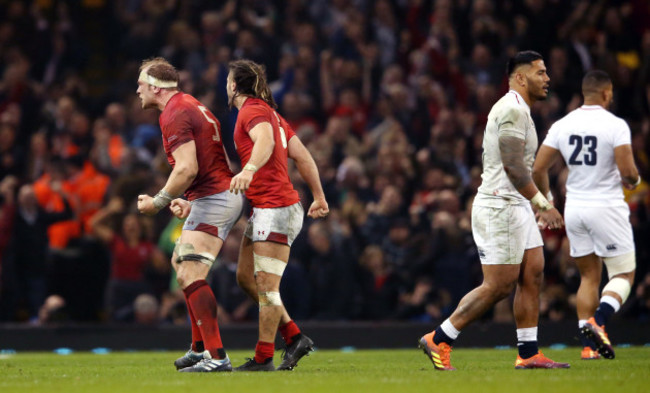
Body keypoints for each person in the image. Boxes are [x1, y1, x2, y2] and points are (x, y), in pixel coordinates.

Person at [418, 51, 570, 370]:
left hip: (517, 204)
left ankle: (528, 353)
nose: (547, 78)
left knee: (533, 272)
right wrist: (543, 203)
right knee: (499, 285)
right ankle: (440, 338)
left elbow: (530, 167)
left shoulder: (520, 110)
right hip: (500, 204)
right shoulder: (512, 109)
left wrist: (540, 201)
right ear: (519, 77)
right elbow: (514, 167)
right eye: (540, 72)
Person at [136, 57, 243, 372]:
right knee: (179, 264)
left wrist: (158, 202)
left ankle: (217, 355)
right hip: (215, 196)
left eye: (141, 84)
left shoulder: (174, 112)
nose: (137, 90)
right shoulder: (192, 105)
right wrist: (193, 201)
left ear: (155, 87)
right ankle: (199, 348)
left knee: (190, 273)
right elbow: (215, 159)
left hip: (217, 198)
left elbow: (187, 167)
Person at [227, 59, 329, 371]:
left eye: (228, 80)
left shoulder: (252, 110)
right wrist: (320, 197)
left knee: (267, 287)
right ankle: (295, 336)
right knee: (246, 277)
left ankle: (263, 358)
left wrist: (249, 169)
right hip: (269, 208)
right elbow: (303, 156)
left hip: (276, 208)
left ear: (234, 85)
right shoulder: (272, 114)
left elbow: (266, 142)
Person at [532, 70, 641, 360]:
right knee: (623, 273)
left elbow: (538, 168)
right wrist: (635, 182)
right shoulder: (615, 125)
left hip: (575, 208)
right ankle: (599, 321)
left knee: (589, 276)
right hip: (605, 205)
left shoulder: (563, 124)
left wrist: (548, 202)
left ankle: (588, 346)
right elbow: (628, 172)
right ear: (606, 93)